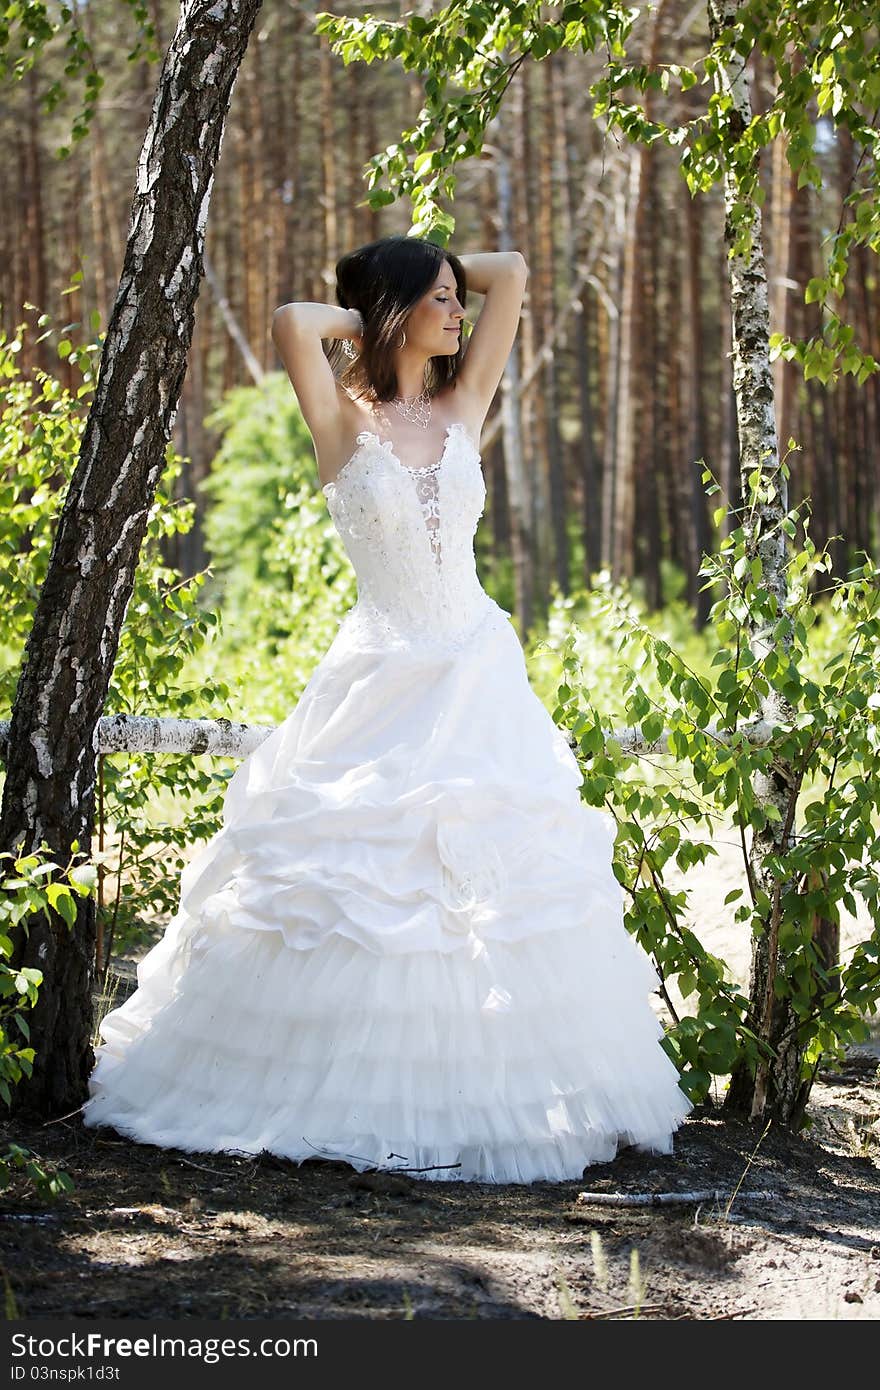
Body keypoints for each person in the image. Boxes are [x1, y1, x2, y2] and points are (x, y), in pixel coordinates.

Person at [82, 234, 692, 1183]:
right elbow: (294, 324)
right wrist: (379, 309)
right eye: (442, 299)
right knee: (360, 894)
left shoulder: (463, 405)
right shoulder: (343, 422)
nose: (460, 312)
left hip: (477, 674)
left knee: (483, 899)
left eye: (458, 298)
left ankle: (494, 1093)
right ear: (399, 312)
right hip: (378, 679)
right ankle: (331, 1097)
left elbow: (518, 272)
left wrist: (438, 264)